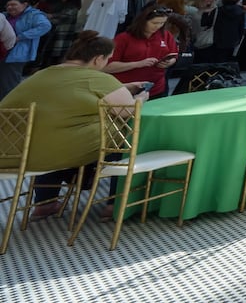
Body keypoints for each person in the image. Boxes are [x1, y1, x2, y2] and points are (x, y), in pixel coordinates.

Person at [0, 31, 152, 220]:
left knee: (52, 132)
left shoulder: (41, 74)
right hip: (52, 154)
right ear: (98, 59)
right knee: (121, 136)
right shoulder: (98, 79)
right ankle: (114, 204)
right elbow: (127, 111)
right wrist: (139, 99)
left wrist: (123, 88)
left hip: (12, 153)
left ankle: (44, 203)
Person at [104, 4, 180, 99]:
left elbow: (174, 55)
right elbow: (107, 67)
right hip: (127, 89)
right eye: (154, 23)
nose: (158, 26)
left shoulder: (166, 35)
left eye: (162, 23)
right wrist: (138, 64)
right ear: (143, 20)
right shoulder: (123, 38)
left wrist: (169, 62)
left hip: (157, 88)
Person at [2, 0, 53, 98]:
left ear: (24, 5)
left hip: (17, 52)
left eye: (13, 4)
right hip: (3, 50)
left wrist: (21, 36)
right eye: (8, 5)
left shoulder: (34, 15)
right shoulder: (5, 15)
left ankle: (8, 106)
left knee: (10, 79)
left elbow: (45, 26)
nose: (10, 7)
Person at [207, 0, 246, 64]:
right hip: (233, 39)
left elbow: (208, 22)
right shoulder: (240, 12)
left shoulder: (218, 10)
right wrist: (238, 39)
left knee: (214, 59)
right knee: (227, 60)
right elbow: (241, 27)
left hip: (217, 38)